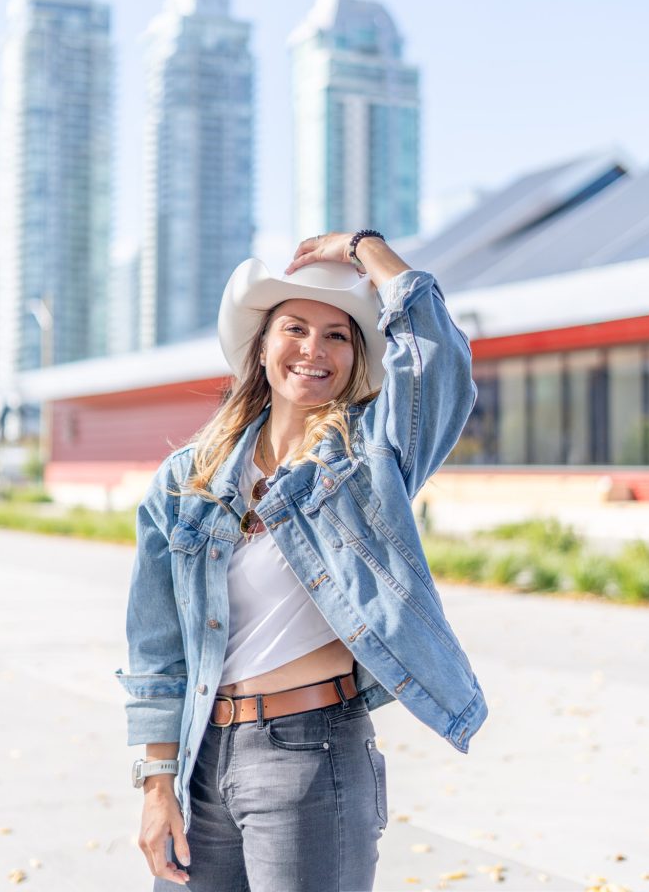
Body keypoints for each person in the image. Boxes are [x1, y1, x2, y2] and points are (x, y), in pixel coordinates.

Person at [116, 231, 488, 891]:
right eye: (294, 328)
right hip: (203, 753)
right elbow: (157, 649)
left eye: (336, 335)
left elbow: (440, 363)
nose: (312, 349)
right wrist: (157, 782)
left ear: (354, 357)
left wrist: (364, 248)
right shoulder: (186, 480)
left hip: (310, 755)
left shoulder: (369, 460)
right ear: (260, 348)